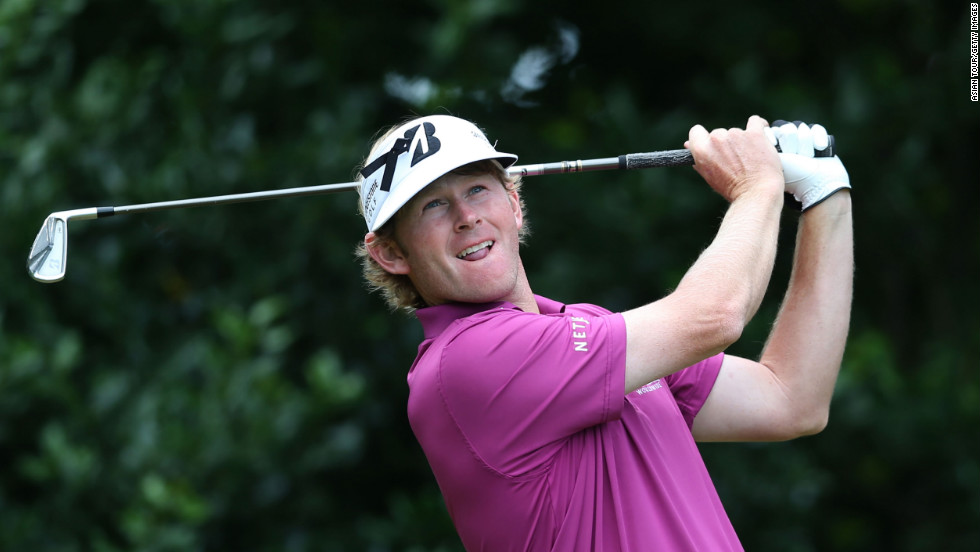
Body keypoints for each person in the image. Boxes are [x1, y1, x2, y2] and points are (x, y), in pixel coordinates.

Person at [355, 114, 853, 551]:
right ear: (392, 254)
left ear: (514, 202)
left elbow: (790, 398)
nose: (467, 217)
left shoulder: (588, 330)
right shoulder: (466, 361)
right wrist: (757, 186)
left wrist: (824, 195)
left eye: (477, 189)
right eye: (433, 207)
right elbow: (716, 316)